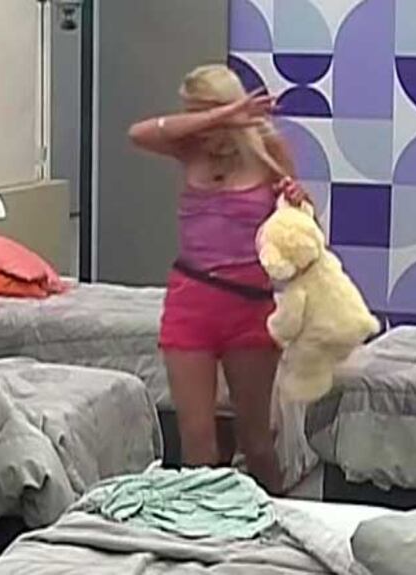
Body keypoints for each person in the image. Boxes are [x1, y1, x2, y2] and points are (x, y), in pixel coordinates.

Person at [128, 63, 310, 495]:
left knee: (256, 442)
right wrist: (219, 116)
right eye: (190, 112)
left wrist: (300, 202)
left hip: (249, 306)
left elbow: (303, 231)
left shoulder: (268, 151)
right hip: (191, 303)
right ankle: (205, 522)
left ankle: (274, 518)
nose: (196, 123)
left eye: (201, 111)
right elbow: (138, 133)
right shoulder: (189, 148)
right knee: (198, 443)